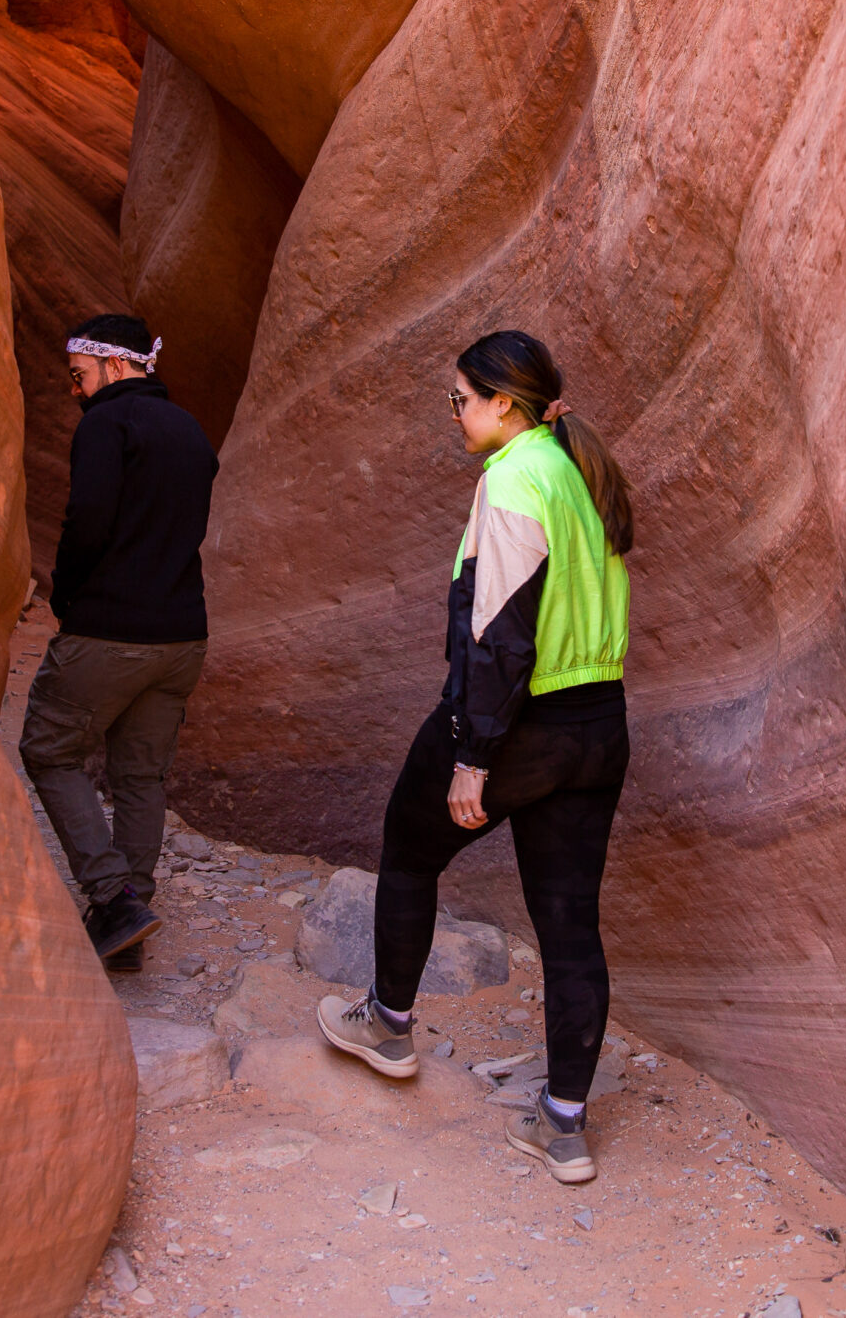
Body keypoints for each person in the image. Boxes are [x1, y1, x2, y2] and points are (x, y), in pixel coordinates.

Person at [314, 329, 635, 1184]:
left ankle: (387, 1025)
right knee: (569, 925)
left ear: (503, 401)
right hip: (600, 724)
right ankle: (563, 1125)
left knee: (409, 847)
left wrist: (473, 755)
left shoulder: (513, 479)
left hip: (521, 721)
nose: (454, 414)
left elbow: (500, 636)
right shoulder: (577, 476)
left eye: (459, 398)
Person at [18, 314, 219, 970]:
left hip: (111, 629)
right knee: (139, 775)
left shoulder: (107, 424)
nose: (75, 390)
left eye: (78, 376)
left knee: (47, 747)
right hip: (182, 635)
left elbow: (88, 522)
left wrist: (66, 597)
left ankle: (113, 899)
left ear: (114, 363)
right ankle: (130, 917)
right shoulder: (189, 430)